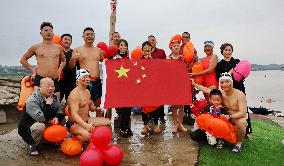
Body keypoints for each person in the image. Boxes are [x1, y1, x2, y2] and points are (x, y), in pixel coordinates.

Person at [192, 72, 247, 153]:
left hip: (235, 117)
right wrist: (194, 84)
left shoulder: (239, 94)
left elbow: (243, 113)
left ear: (231, 82)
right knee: (204, 127)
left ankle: (238, 143)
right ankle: (218, 138)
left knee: (242, 122)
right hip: (224, 117)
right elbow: (206, 90)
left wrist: (230, 117)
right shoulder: (221, 93)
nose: (225, 84)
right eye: (222, 82)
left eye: (227, 81)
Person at [18, 78, 65, 156]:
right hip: (29, 127)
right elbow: (41, 118)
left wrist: (57, 117)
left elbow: (59, 109)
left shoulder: (53, 97)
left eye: (52, 86)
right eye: (47, 86)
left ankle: (49, 140)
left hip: (45, 120)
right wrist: (48, 104)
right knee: (40, 126)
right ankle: (32, 144)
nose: (51, 88)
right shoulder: (32, 100)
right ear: (39, 87)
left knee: (62, 120)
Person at [215, 43, 253, 140]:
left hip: (239, 87)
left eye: (229, 50)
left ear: (232, 51)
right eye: (226, 50)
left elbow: (243, 72)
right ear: (222, 51)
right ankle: (229, 129)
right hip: (227, 90)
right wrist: (231, 71)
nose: (228, 52)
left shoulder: (237, 61)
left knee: (244, 109)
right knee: (229, 108)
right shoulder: (219, 65)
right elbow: (220, 78)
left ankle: (247, 132)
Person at [20, 22, 66, 100]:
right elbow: (23, 60)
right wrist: (33, 71)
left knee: (55, 105)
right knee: (39, 104)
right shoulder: (36, 47)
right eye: (46, 30)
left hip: (54, 79)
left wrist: (59, 71)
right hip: (40, 79)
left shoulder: (58, 48)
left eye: (50, 30)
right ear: (41, 33)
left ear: (53, 33)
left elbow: (64, 60)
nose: (48, 32)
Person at [67, 69, 111, 142]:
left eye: (88, 77)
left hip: (87, 120)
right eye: (84, 77)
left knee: (108, 122)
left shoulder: (87, 91)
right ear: (78, 79)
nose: (87, 79)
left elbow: (90, 107)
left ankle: (85, 131)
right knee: (88, 136)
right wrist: (86, 126)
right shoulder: (74, 94)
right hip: (75, 123)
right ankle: (72, 135)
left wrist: (97, 108)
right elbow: (73, 114)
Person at [69, 27, 104, 116]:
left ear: (94, 36)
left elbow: (106, 63)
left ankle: (99, 128)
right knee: (84, 107)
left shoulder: (99, 50)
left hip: (96, 81)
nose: (90, 36)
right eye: (87, 34)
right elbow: (71, 67)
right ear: (83, 36)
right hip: (83, 82)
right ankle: (86, 126)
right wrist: (73, 59)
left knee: (98, 107)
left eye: (92, 34)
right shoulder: (77, 50)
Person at [111, 39, 133, 137]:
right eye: (121, 45)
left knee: (128, 108)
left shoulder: (129, 59)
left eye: (125, 45)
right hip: (119, 87)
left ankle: (126, 127)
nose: (123, 47)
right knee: (122, 109)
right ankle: (123, 129)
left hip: (128, 87)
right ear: (118, 47)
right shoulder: (114, 58)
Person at [140, 41, 161, 134]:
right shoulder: (139, 60)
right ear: (142, 50)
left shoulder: (156, 59)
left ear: (151, 49)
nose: (147, 49)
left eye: (148, 47)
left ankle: (156, 125)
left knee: (155, 107)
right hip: (143, 87)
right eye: (145, 48)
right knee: (144, 108)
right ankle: (145, 126)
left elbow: (159, 72)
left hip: (154, 87)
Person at [168, 40, 187, 133]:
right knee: (174, 106)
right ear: (171, 48)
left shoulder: (182, 58)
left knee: (182, 105)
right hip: (172, 84)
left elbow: (186, 69)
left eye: (178, 46)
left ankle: (180, 124)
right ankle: (175, 124)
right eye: (174, 46)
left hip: (181, 83)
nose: (176, 47)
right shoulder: (168, 59)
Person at [148, 35, 166, 123]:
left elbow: (165, 64)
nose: (152, 42)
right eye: (150, 41)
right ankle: (151, 116)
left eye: (153, 40)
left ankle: (161, 116)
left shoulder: (161, 51)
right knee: (151, 98)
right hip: (148, 79)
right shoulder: (144, 52)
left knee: (161, 98)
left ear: (156, 41)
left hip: (159, 78)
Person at [59, 33, 77, 102]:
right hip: (59, 82)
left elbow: (78, 67)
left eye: (69, 40)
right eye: (65, 39)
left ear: (71, 42)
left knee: (71, 103)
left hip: (71, 82)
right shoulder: (57, 52)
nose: (67, 41)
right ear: (61, 41)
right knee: (56, 103)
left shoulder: (74, 53)